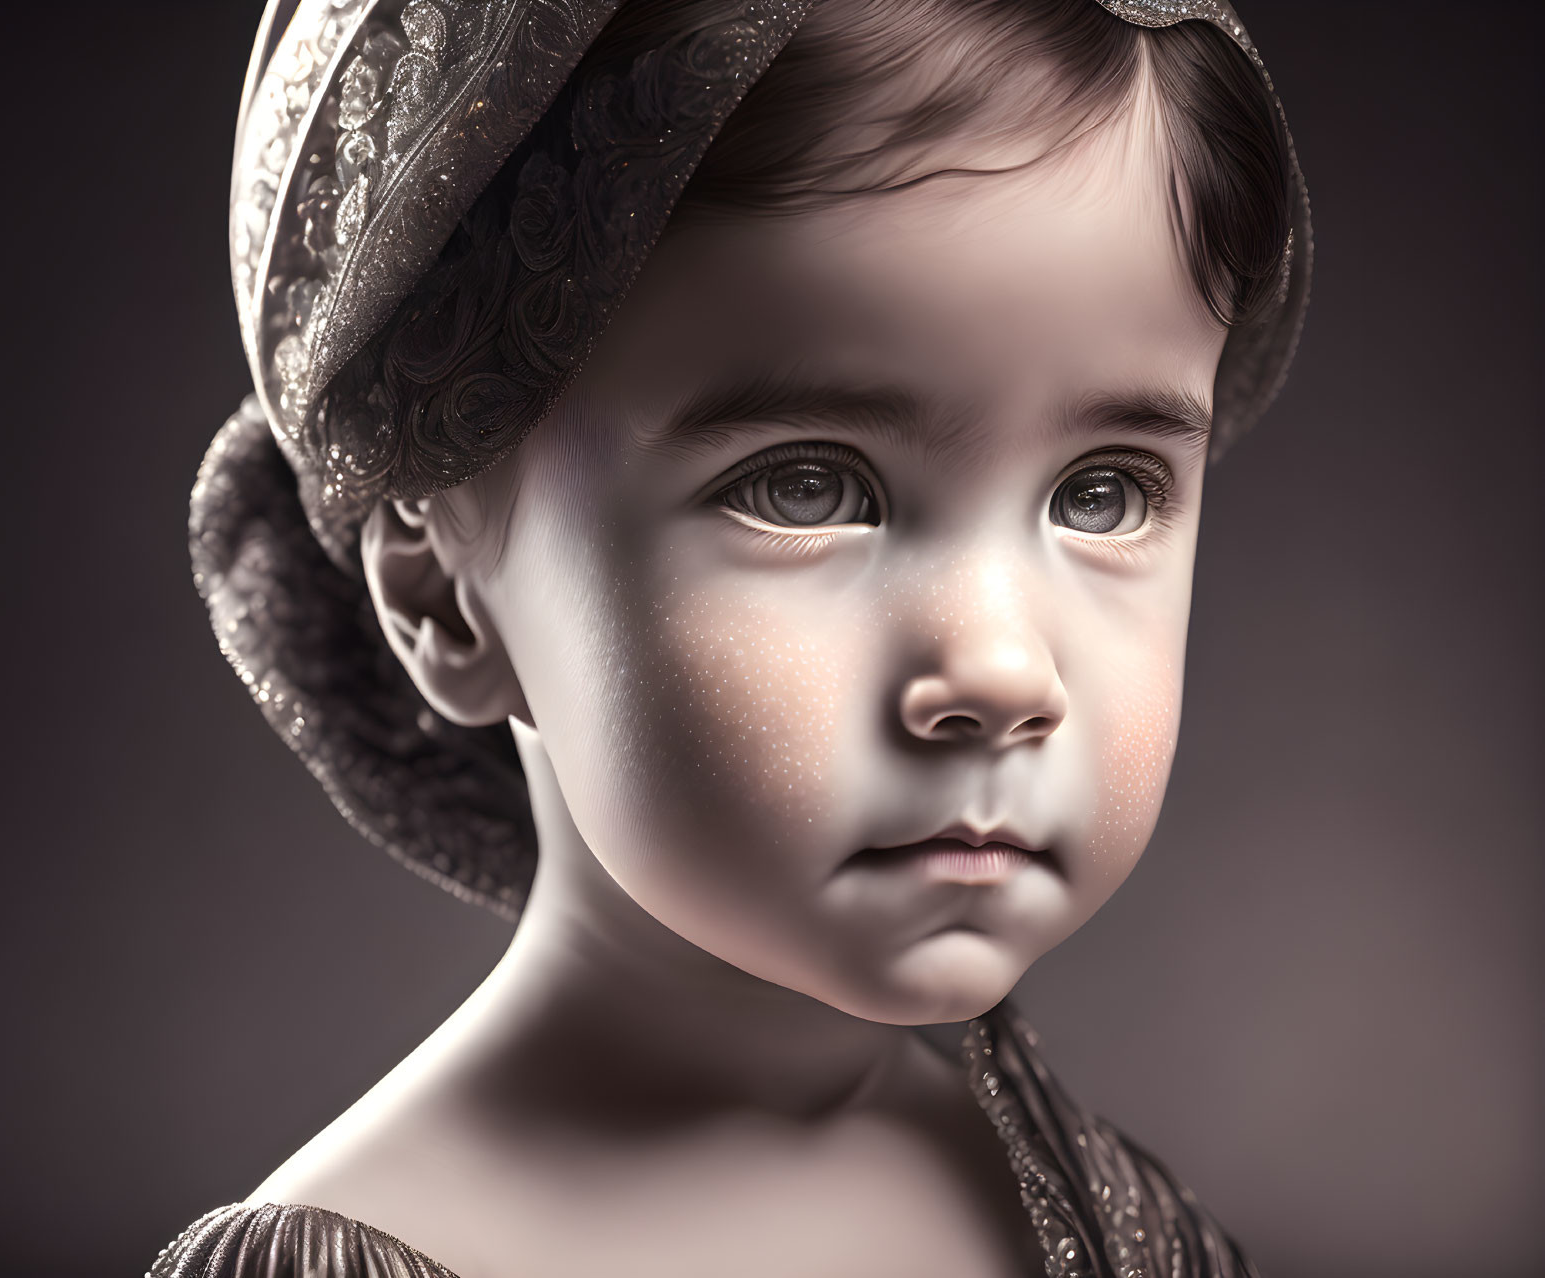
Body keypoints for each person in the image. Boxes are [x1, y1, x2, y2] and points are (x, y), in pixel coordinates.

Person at [152, 0, 1311, 1274]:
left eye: (1100, 494)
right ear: (441, 592)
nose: (996, 673)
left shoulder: (1100, 1215)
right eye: (805, 488)